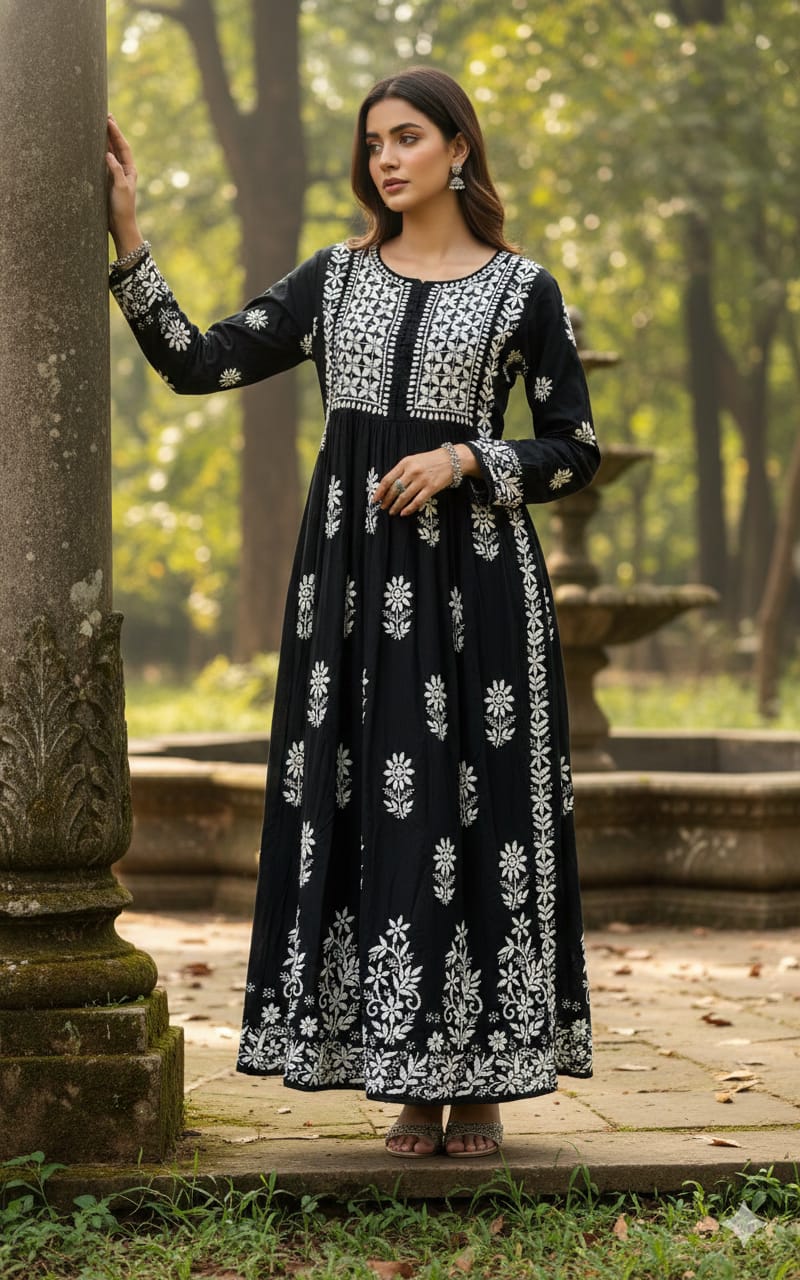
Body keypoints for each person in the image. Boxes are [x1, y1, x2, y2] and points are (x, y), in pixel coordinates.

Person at [107, 65, 599, 1160]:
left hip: (478, 600)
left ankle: (480, 1080)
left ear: (458, 149)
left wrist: (467, 457)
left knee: (477, 816)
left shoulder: (525, 290)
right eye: (373, 141)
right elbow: (198, 364)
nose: (385, 158)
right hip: (353, 601)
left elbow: (576, 448)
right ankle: (405, 1076)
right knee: (380, 815)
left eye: (407, 136)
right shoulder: (332, 280)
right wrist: (128, 235)